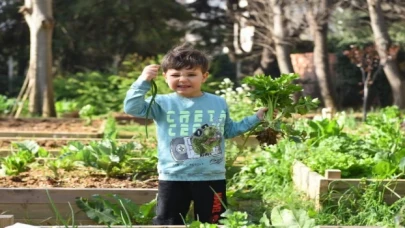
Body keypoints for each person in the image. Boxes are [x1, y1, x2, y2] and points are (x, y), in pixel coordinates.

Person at [123, 44, 267, 225]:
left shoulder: (218, 103)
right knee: (169, 222)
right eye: (175, 75)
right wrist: (143, 81)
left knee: (213, 221)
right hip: (173, 176)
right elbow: (131, 107)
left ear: (204, 77)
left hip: (211, 176)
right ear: (165, 77)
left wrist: (256, 118)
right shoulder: (161, 102)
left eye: (191, 74)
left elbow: (228, 130)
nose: (183, 79)